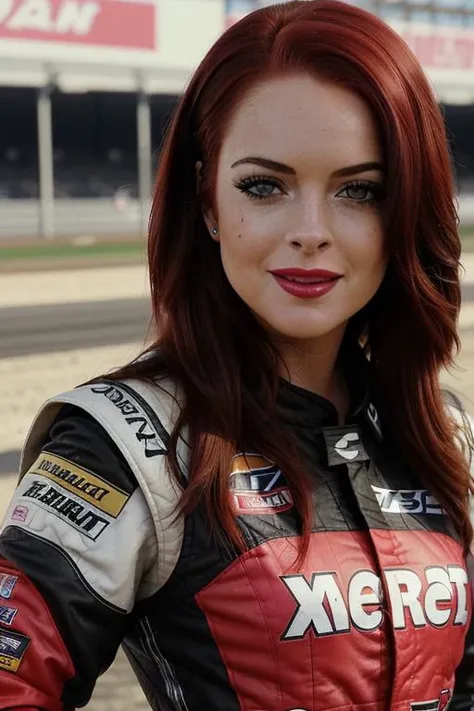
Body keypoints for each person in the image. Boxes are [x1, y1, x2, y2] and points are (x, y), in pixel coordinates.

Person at [1, 1, 473, 709]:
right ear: (209, 202)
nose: (310, 231)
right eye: (265, 186)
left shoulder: (443, 430)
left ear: (404, 208)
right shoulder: (126, 441)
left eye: (359, 190)